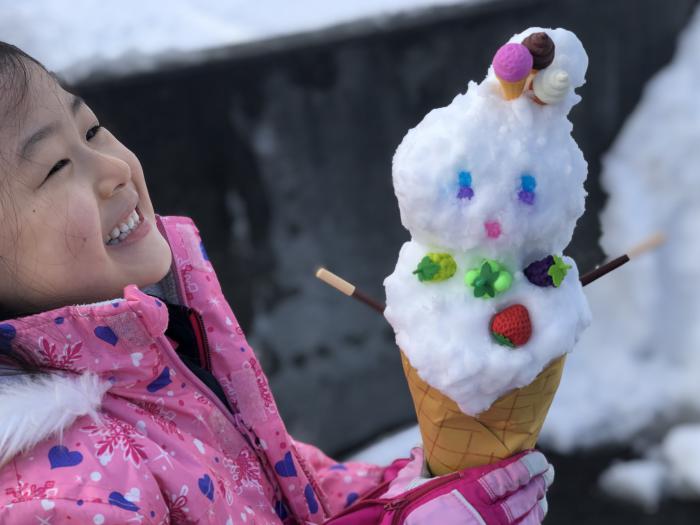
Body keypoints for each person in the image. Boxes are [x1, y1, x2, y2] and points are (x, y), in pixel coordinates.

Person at [0, 42, 552, 524]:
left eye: (92, 129)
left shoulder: (148, 355)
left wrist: (414, 491)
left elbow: (283, 492)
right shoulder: (58, 492)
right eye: (55, 166)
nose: (111, 167)